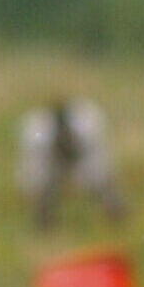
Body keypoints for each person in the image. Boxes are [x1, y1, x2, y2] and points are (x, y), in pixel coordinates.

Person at [17, 97, 127, 230]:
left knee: (99, 181)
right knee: (45, 189)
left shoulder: (88, 123)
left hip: (83, 155)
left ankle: (116, 212)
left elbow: (95, 154)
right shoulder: (38, 130)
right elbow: (36, 160)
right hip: (51, 159)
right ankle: (43, 221)